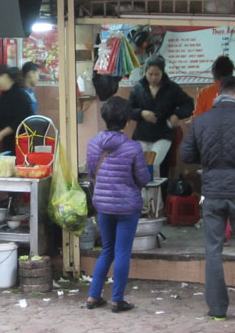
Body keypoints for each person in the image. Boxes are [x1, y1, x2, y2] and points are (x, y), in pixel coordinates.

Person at [179, 76, 235, 322]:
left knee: (213, 249)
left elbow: (186, 154)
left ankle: (217, 310)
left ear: (219, 94)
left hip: (213, 191)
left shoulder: (201, 121)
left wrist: (208, 158)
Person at [85, 96, 150, 313]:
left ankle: (93, 296)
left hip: (102, 205)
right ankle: (117, 300)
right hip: (127, 207)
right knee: (122, 252)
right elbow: (143, 178)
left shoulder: (93, 143)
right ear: (126, 120)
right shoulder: (133, 147)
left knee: (107, 250)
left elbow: (91, 172)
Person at [129, 55, 194, 180]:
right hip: (142, 134)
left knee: (154, 164)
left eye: (157, 74)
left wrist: (177, 115)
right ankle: (143, 199)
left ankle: (156, 199)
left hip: (164, 134)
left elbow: (189, 104)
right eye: (150, 74)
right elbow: (129, 110)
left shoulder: (172, 88)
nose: (153, 78)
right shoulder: (138, 88)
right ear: (145, 72)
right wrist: (141, 113)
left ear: (162, 73)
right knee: (141, 167)